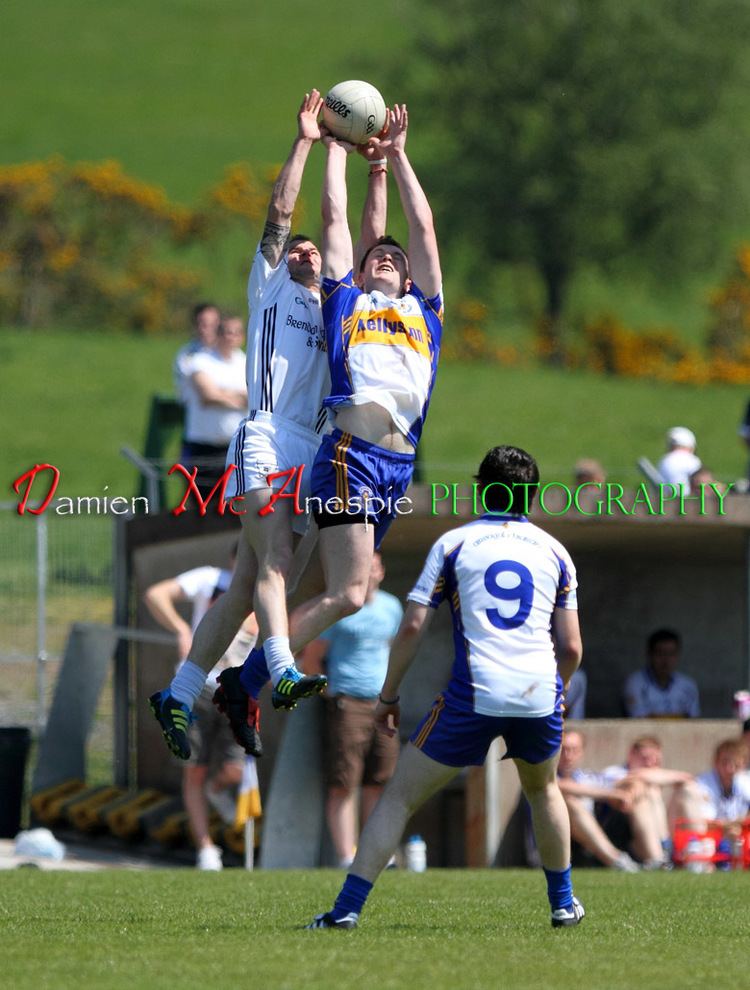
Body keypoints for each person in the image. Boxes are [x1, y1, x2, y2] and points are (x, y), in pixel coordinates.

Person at [149, 89, 387, 762]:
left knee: (246, 586)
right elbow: (284, 211)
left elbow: (366, 245)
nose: (307, 252)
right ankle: (280, 670)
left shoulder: (337, 304)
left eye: (315, 251)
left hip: (314, 453)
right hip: (265, 435)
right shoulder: (270, 286)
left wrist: (377, 166)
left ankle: (180, 690)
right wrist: (309, 140)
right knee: (277, 565)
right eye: (299, 250)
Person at [229, 104, 444, 750]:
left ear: (407, 278)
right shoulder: (346, 300)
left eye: (391, 258)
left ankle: (246, 676)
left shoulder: (426, 315)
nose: (381, 258)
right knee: (351, 593)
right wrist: (334, 149)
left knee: (339, 588)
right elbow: (336, 221)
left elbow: (424, 230)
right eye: (373, 255)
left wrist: (398, 157)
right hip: (348, 455)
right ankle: (248, 679)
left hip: (395, 468)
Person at [306, 445, 585, 930]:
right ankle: (563, 903)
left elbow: (413, 626)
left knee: (398, 798)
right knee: (544, 790)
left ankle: (346, 910)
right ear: (532, 495)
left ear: (481, 488)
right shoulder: (555, 551)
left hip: (474, 694)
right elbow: (573, 647)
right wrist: (556, 692)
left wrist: (389, 696)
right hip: (538, 693)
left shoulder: (454, 544)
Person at [143, 551, 258, 870]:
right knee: (193, 767)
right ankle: (206, 849)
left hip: (237, 694)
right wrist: (181, 629)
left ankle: (217, 791)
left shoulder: (266, 594)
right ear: (235, 559)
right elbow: (156, 594)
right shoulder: (211, 579)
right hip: (198, 688)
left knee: (236, 770)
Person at [300, 552, 403, 867]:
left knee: (379, 780)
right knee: (344, 782)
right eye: (363, 567)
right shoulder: (341, 608)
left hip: (383, 704)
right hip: (348, 702)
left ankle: (373, 854)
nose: (369, 573)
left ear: (381, 571)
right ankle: (347, 856)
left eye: (373, 567)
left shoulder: (392, 607)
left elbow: (395, 648)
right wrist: (328, 692)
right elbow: (313, 655)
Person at [181, 314, 247, 495]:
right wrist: (238, 398)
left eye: (236, 332)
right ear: (218, 334)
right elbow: (208, 395)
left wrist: (222, 392)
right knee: (203, 508)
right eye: (226, 332)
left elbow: (253, 397)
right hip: (204, 447)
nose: (231, 337)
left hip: (235, 447)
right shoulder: (200, 361)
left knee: (233, 508)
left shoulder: (246, 363)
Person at [556, 730, 641, 872]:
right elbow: (561, 786)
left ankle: (658, 858)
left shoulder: (587, 777)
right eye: (563, 749)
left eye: (574, 750)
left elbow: (631, 780)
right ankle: (616, 860)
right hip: (561, 848)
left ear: (581, 752)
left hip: (594, 841)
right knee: (570, 802)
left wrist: (630, 792)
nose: (568, 756)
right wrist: (613, 794)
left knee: (644, 795)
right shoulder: (545, 778)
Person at [669, 738, 750, 836]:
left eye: (736, 764)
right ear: (715, 762)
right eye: (725, 763)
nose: (730, 769)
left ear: (743, 764)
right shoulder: (702, 783)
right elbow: (707, 823)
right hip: (704, 837)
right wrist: (734, 824)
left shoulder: (745, 780)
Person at [622, 628, 700, 718]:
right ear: (649, 654)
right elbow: (639, 720)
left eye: (671, 654)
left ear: (678, 655)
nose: (666, 660)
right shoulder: (634, 683)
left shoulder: (688, 685)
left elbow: (693, 720)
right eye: (660, 653)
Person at [173, 302, 221, 403]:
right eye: (203, 324)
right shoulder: (187, 355)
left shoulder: (234, 355)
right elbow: (205, 392)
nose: (206, 329)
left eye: (212, 324)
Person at [657, 427, 701, 493]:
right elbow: (701, 482)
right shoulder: (692, 460)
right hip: (688, 501)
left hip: (664, 500)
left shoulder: (663, 461)